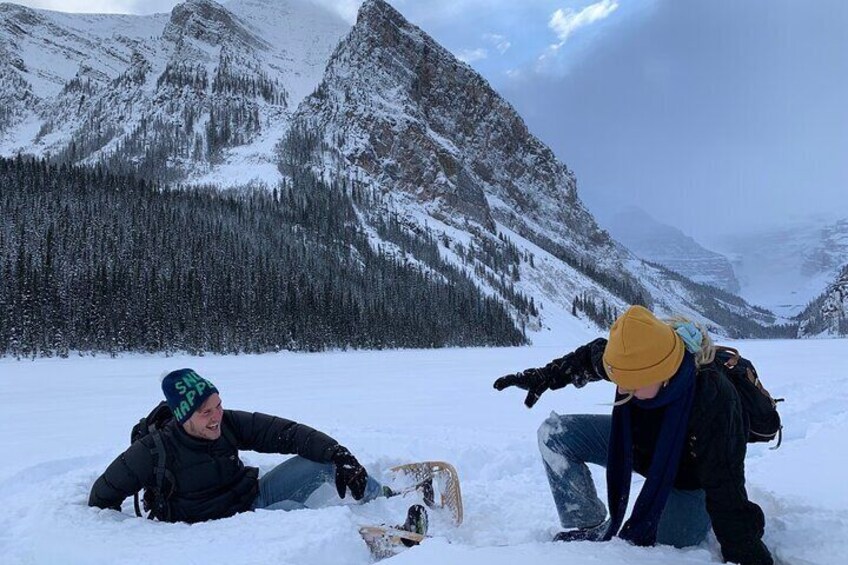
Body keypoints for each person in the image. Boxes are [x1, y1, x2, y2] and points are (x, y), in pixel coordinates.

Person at [493, 305, 773, 565]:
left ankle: (701, 517)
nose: (624, 391)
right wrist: (544, 376)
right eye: (620, 382)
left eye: (634, 384)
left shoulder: (714, 399)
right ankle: (588, 524)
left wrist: (745, 550)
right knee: (555, 435)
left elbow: (724, 482)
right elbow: (590, 358)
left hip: (691, 479)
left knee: (656, 546)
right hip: (643, 448)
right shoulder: (631, 361)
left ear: (663, 373)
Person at [89, 368, 423, 529]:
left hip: (254, 495)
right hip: (231, 525)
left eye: (218, 405)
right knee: (301, 520)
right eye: (206, 412)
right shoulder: (153, 451)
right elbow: (101, 499)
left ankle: (388, 500)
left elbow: (286, 432)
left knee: (322, 461)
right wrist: (141, 538)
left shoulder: (227, 422)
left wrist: (340, 454)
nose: (216, 417)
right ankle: (382, 537)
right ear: (182, 416)